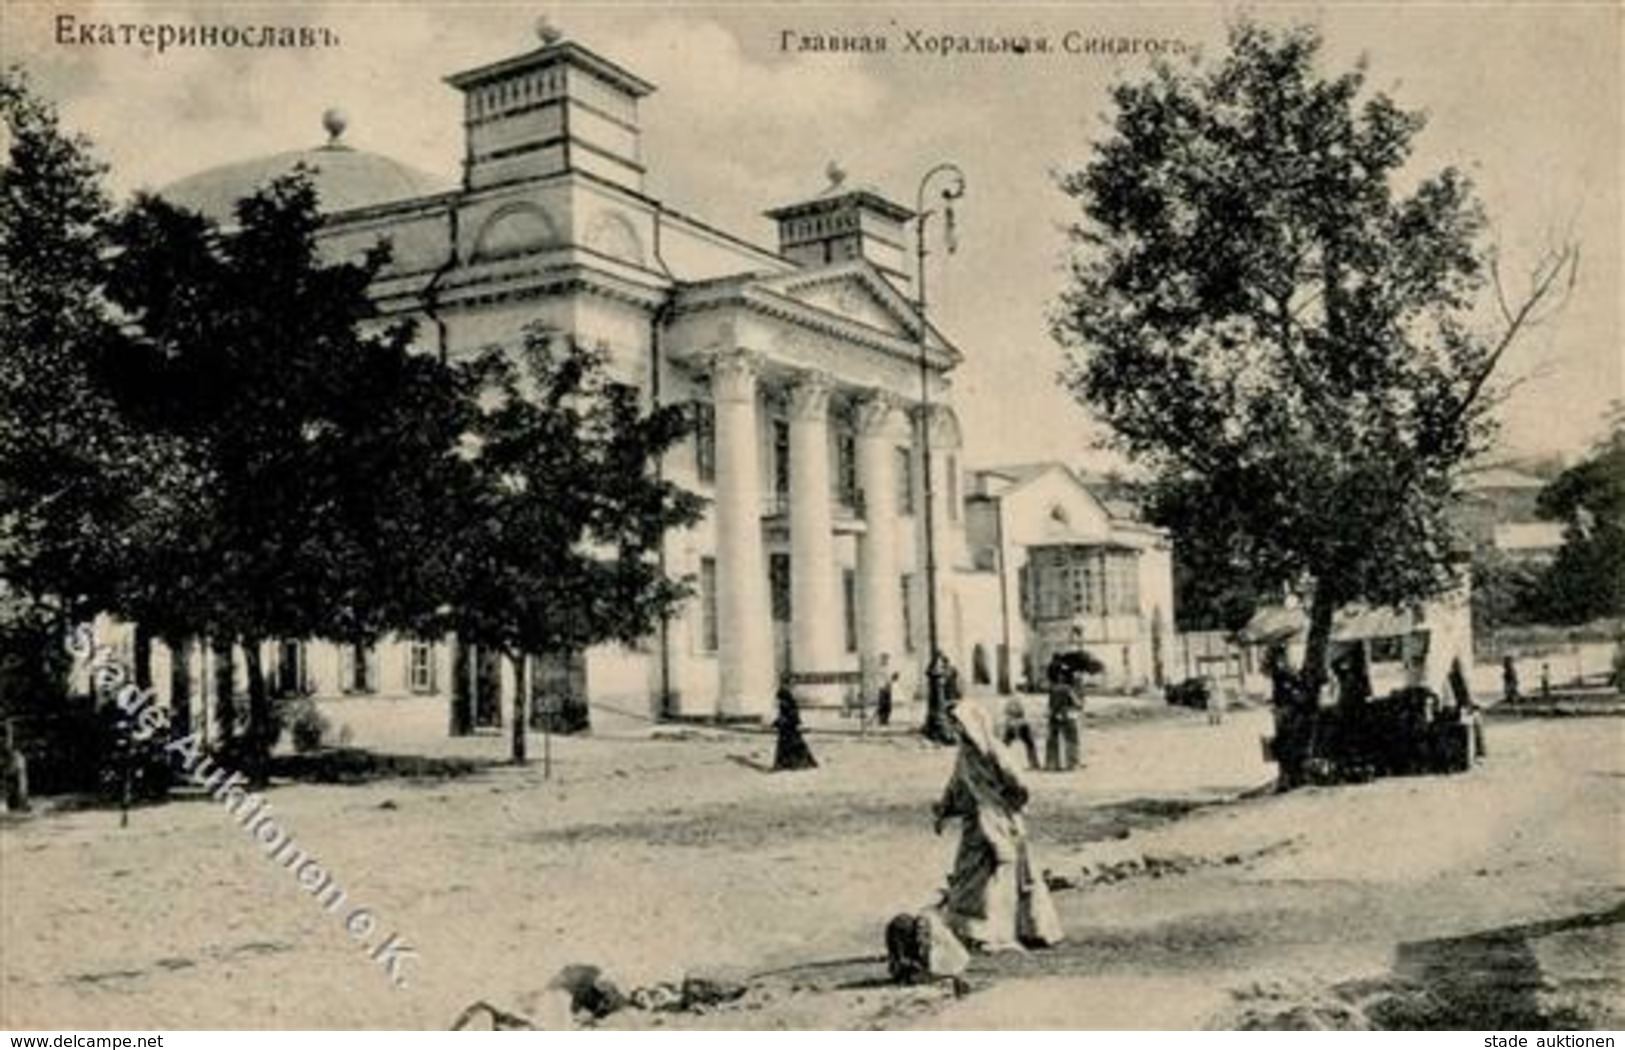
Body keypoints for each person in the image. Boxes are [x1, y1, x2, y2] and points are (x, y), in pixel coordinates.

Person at [932, 703, 1063, 953]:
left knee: (999, 877)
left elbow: (1019, 783)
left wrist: (1007, 806)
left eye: (961, 724)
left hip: (999, 822)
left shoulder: (995, 752)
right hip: (976, 826)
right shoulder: (965, 755)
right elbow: (956, 786)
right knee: (971, 879)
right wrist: (944, 810)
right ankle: (974, 932)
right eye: (956, 724)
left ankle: (1009, 932)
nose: (958, 729)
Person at [1044, 663, 1082, 771]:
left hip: (1054, 715)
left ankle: (1051, 764)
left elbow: (1050, 704)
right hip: (1067, 716)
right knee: (1072, 740)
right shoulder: (1068, 689)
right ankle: (1072, 763)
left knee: (1052, 741)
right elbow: (1077, 703)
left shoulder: (1053, 689)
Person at [772, 686, 818, 771]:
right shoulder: (786, 703)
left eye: (780, 698)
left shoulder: (789, 704)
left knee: (792, 747)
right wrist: (777, 722)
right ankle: (786, 765)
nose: (779, 701)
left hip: (790, 729)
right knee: (790, 747)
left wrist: (782, 721)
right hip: (787, 730)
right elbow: (783, 716)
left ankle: (793, 764)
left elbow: (792, 716)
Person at [1001, 697, 1040, 770]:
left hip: (1012, 724)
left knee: (1005, 743)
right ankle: (1034, 763)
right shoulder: (1019, 701)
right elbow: (1022, 713)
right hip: (1022, 724)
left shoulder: (1009, 703)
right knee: (1030, 744)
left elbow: (1006, 713)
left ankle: (1001, 761)